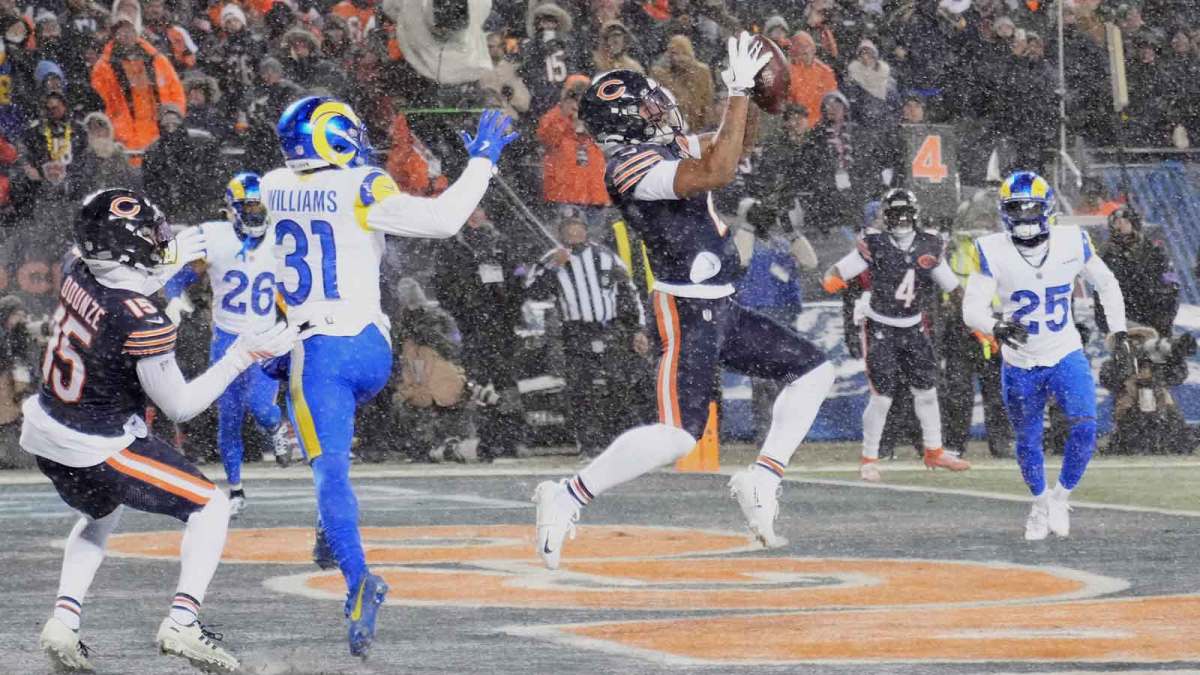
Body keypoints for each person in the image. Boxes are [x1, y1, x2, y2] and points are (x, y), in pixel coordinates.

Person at [535, 34, 835, 569]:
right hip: (687, 313)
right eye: (647, 103)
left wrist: (744, 93)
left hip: (722, 305)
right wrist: (739, 88)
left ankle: (763, 478)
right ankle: (567, 494)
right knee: (678, 435)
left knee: (814, 371)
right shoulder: (627, 167)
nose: (661, 106)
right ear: (626, 118)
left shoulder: (660, 146)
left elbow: (729, 143)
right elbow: (719, 169)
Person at [263, 97, 516, 656]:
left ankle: (358, 583)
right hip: (372, 350)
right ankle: (330, 528)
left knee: (327, 468)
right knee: (307, 423)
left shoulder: (273, 184)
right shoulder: (360, 184)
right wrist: (484, 161)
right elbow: (445, 219)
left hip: (319, 351)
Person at [23, 189, 297, 673]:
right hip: (96, 443)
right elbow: (181, 407)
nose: (160, 241)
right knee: (210, 506)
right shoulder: (141, 319)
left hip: (47, 427)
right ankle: (183, 621)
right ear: (125, 246)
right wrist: (241, 355)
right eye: (150, 234)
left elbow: (127, 274)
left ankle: (64, 620)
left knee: (100, 514)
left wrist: (173, 253)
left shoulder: (76, 267)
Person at [962, 171, 1128, 541]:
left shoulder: (1072, 240)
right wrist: (996, 325)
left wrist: (1119, 332)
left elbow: (1107, 283)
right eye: (1015, 209)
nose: (1022, 216)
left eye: (1029, 208)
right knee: (1028, 439)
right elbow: (970, 308)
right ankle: (1038, 504)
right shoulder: (991, 248)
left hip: (1064, 349)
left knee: (1085, 427)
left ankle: (1060, 497)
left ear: (1046, 208)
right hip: (1020, 359)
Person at [164, 172, 300, 516]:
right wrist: (173, 298)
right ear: (231, 209)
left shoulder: (283, 238)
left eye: (259, 206)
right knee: (229, 418)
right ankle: (236, 489)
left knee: (259, 405)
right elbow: (178, 276)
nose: (255, 212)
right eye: (248, 206)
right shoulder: (216, 237)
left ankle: (277, 428)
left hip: (265, 336)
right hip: (226, 338)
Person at [823, 189, 968, 481]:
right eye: (895, 214)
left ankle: (934, 450)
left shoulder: (929, 244)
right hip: (880, 327)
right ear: (886, 217)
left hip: (914, 325)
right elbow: (836, 271)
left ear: (914, 215)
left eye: (905, 213)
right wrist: (832, 281)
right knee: (882, 397)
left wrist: (971, 315)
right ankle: (869, 457)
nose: (901, 219)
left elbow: (953, 287)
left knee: (926, 391)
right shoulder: (874, 244)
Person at [524, 210, 649, 457]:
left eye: (577, 226)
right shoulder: (551, 258)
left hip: (609, 328)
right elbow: (531, 291)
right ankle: (589, 443)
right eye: (568, 227)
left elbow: (628, 292)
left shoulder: (605, 256)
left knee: (618, 386)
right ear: (561, 231)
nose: (574, 232)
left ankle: (620, 442)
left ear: (585, 229)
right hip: (576, 331)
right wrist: (553, 267)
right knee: (581, 390)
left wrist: (638, 329)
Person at [1097, 205, 1179, 339]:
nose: (1120, 226)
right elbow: (1101, 295)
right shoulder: (1107, 257)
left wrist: (1164, 319)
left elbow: (1171, 287)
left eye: (1125, 222)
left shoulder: (1155, 253)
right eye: (1116, 223)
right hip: (1124, 322)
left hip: (1155, 320)